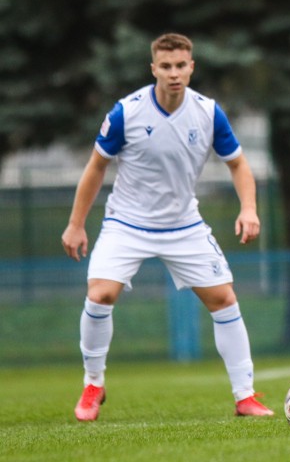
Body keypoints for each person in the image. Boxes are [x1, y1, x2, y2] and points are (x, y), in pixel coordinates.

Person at [61, 33, 274, 421]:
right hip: (127, 223)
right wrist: (76, 225)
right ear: (153, 69)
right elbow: (95, 167)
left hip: (183, 225)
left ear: (191, 67)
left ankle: (245, 396)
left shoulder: (208, 113)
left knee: (224, 299)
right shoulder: (127, 112)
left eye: (181, 66)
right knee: (101, 294)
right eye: (166, 66)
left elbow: (239, 164)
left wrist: (249, 209)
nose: (174, 74)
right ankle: (93, 384)